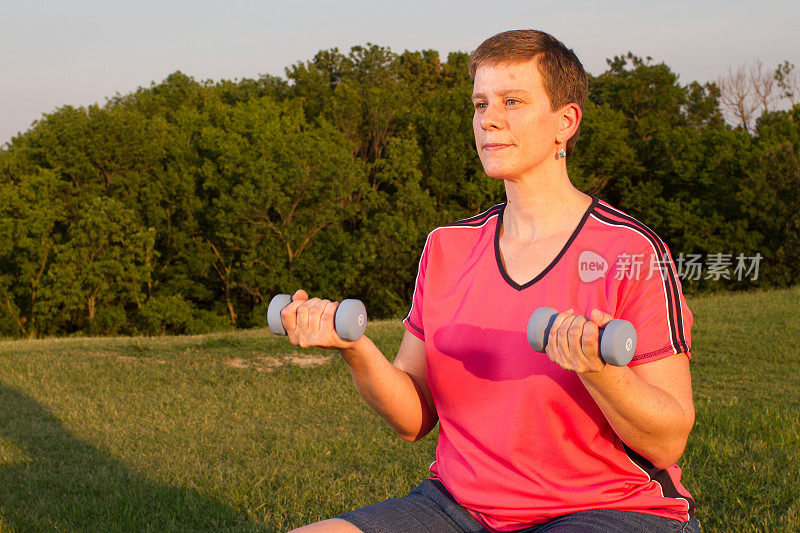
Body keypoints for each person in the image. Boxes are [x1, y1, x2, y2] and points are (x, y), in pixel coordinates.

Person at [285, 29, 700, 533]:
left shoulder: (631, 251)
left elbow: (667, 440)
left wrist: (598, 370)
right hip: (458, 509)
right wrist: (351, 346)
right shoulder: (446, 247)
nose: (489, 120)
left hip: (609, 509)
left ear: (565, 122)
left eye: (512, 101)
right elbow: (414, 417)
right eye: (480, 103)